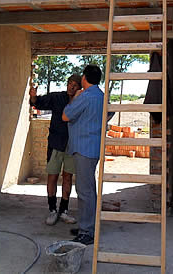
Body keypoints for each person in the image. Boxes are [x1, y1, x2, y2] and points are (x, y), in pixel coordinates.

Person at [29, 74, 82, 226]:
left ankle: (64, 211)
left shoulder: (82, 102)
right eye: (70, 83)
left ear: (80, 88)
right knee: (52, 176)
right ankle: (52, 210)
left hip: (72, 146)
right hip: (55, 144)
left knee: (67, 177)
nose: (71, 87)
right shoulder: (57, 97)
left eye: (75, 85)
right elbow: (37, 103)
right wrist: (33, 97)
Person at [62, 65, 104, 245]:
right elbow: (109, 113)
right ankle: (87, 226)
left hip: (83, 148)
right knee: (89, 190)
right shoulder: (102, 96)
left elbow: (65, 116)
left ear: (84, 78)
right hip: (93, 148)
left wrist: (76, 98)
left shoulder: (85, 96)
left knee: (84, 191)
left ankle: (87, 232)